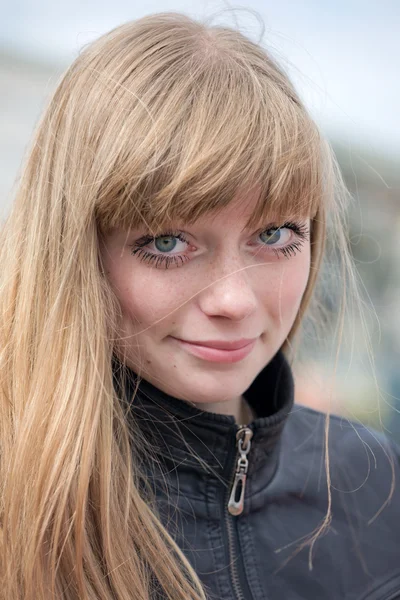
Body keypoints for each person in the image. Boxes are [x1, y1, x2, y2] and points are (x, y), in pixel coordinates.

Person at [0, 12, 399, 600]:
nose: (234, 301)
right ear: (74, 251)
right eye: (167, 243)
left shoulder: (375, 482)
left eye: (274, 235)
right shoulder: (18, 499)